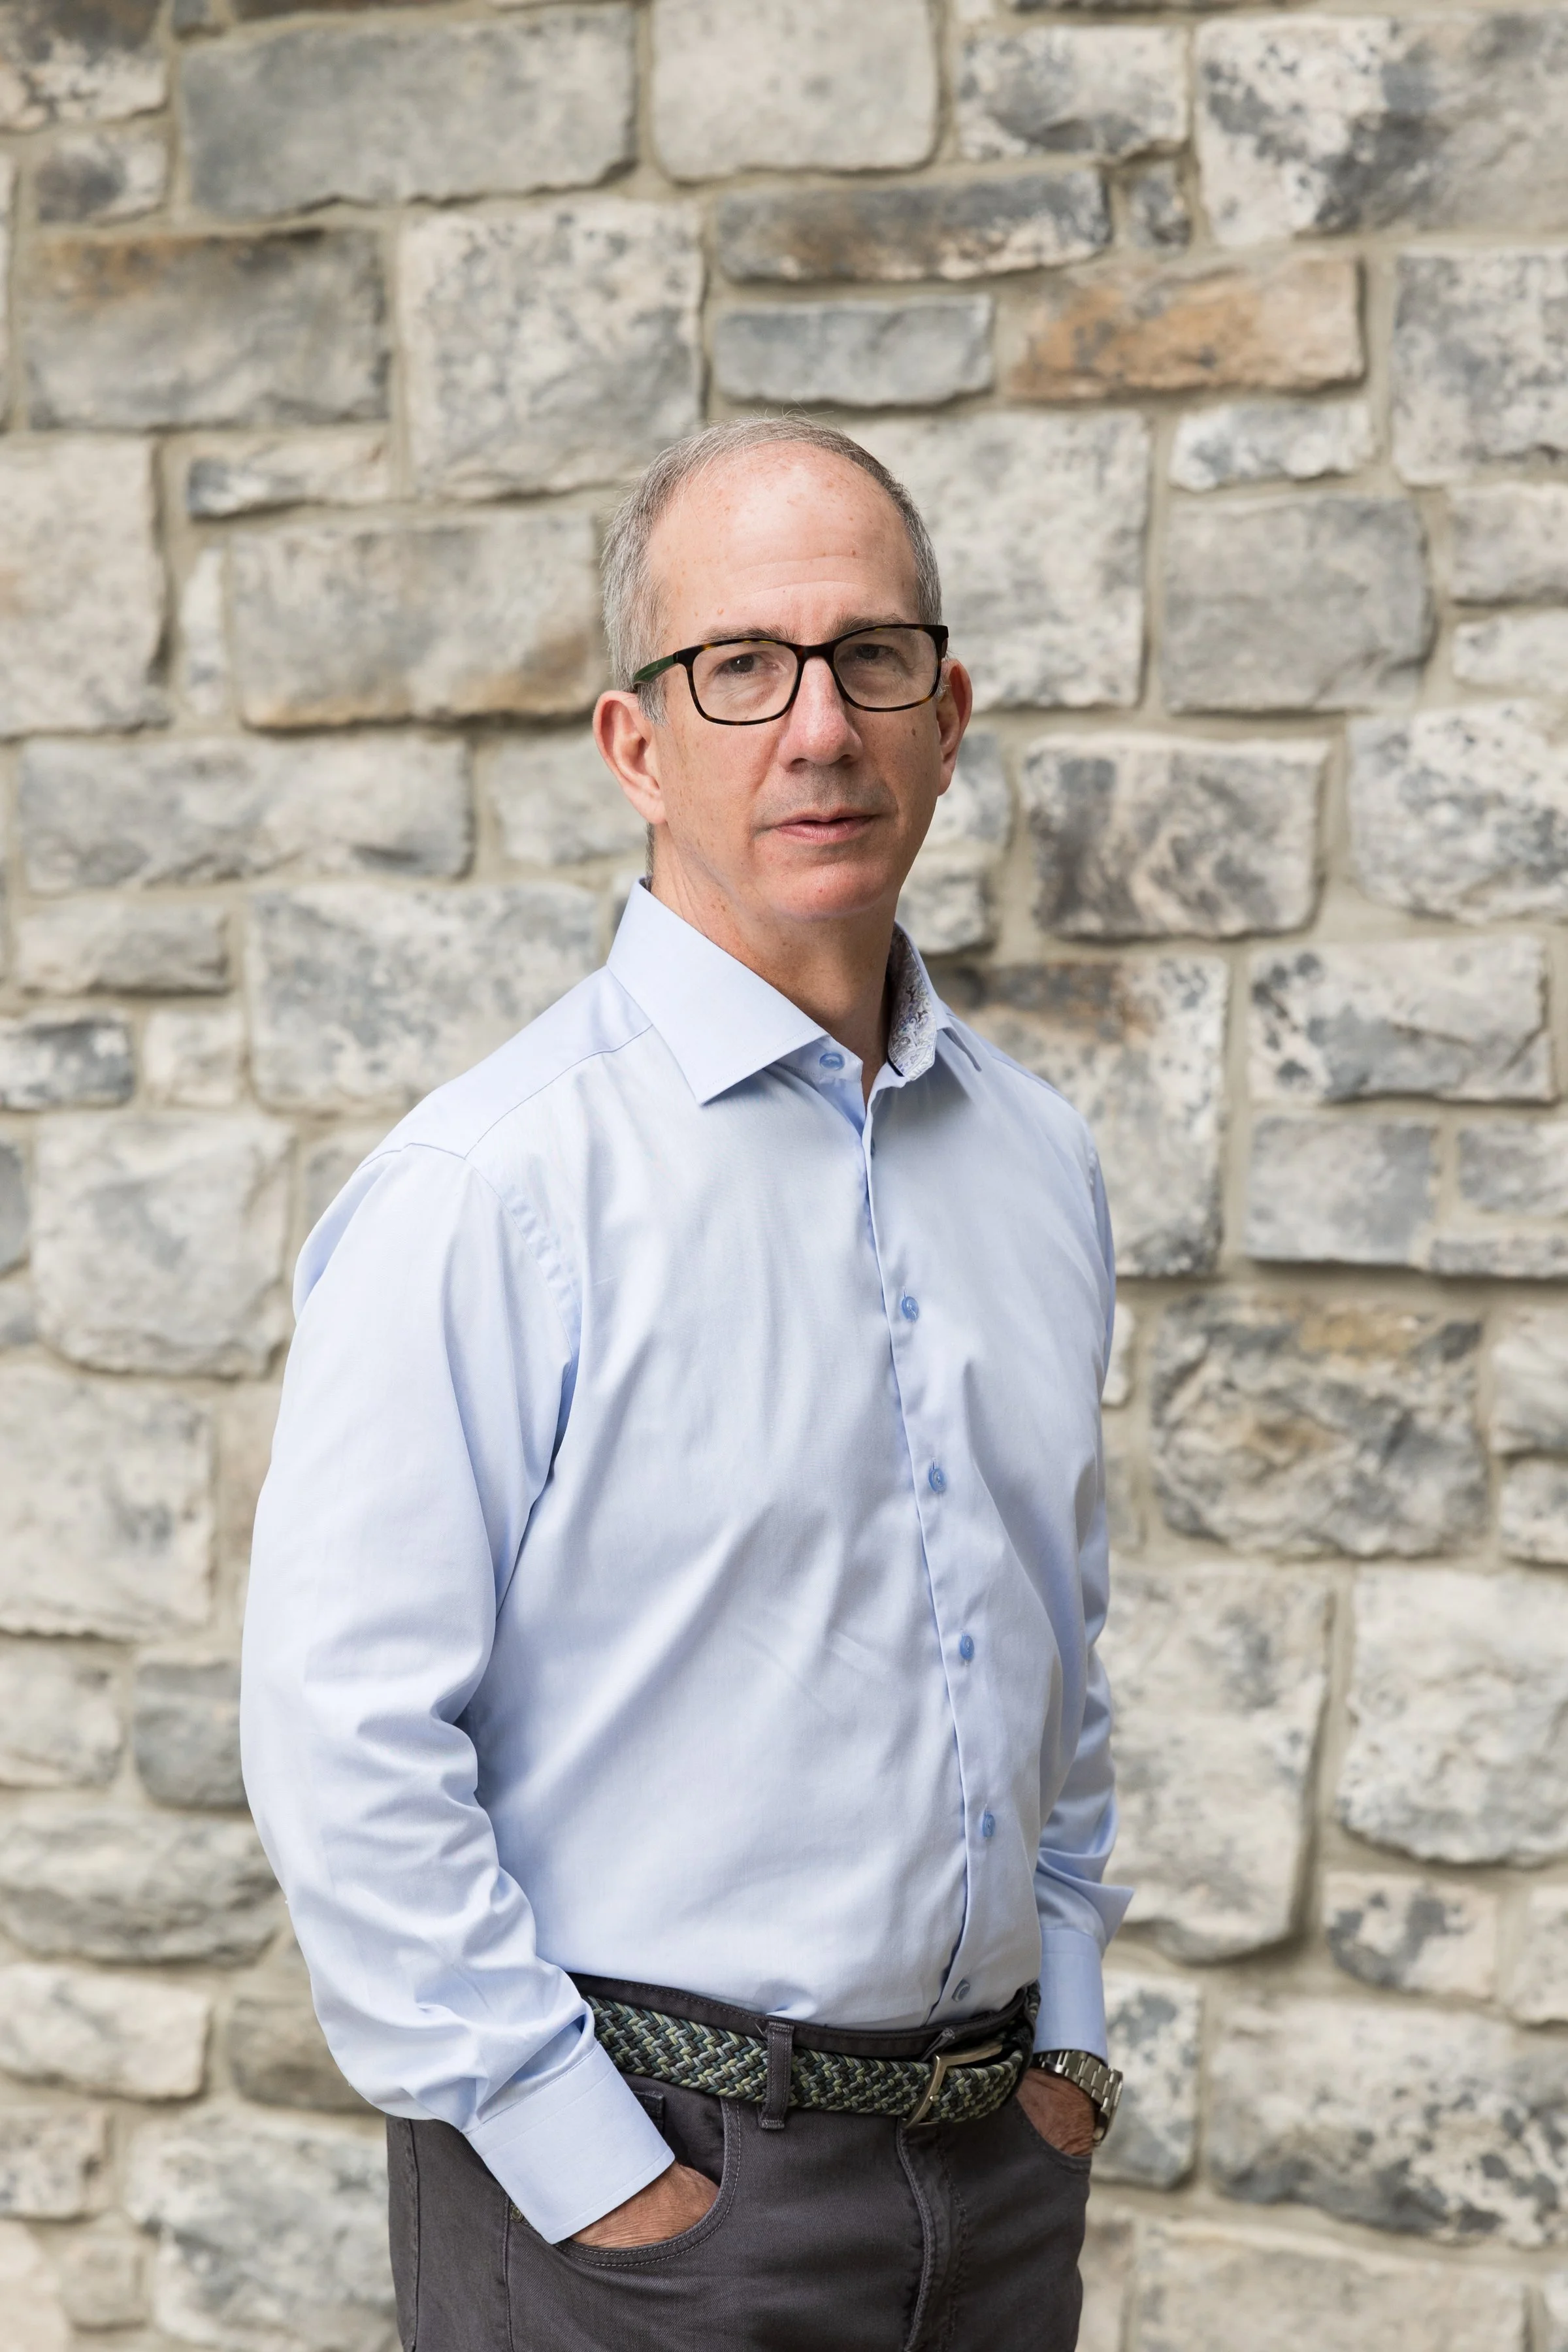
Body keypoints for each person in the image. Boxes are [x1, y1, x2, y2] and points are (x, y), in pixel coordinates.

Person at [242, 416, 1129, 2352]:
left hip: (995, 2189)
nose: (817, 727)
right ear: (636, 745)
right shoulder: (492, 1192)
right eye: (740, 668)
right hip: (638, 2214)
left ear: (948, 712)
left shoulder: (1040, 1162)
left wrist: (1064, 2037)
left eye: (870, 657)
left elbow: (1059, 1640)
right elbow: (345, 1744)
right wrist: (597, 2173)